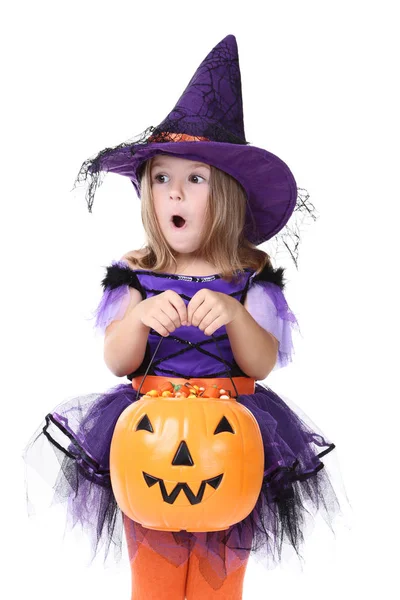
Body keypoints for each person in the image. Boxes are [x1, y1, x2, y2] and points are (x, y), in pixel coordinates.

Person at [23, 35, 345, 600]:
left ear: (228, 195)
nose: (174, 191)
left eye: (194, 179)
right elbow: (117, 359)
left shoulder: (250, 277)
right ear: (147, 193)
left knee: (220, 579)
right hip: (149, 442)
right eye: (161, 178)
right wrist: (141, 316)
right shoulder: (135, 272)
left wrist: (233, 316)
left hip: (229, 444)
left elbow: (262, 362)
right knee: (155, 575)